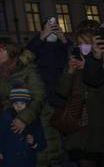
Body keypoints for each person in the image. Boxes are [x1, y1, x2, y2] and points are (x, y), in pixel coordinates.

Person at [55, 22, 104, 167]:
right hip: (79, 125)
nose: (82, 46)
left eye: (85, 42)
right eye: (79, 42)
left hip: (98, 126)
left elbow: (96, 84)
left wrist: (90, 67)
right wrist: (69, 71)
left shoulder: (100, 60)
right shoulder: (75, 57)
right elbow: (62, 91)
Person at [24, 17, 71, 166]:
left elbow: (73, 56)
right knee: (46, 135)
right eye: (48, 27)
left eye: (55, 27)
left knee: (63, 137)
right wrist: (41, 37)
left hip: (61, 98)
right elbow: (26, 56)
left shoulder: (62, 46)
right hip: (43, 99)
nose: (52, 29)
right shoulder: (38, 44)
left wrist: (64, 39)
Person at [0, 87, 46, 167]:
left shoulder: (34, 120)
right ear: (12, 104)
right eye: (15, 104)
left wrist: (34, 142)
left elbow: (42, 141)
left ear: (27, 104)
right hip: (9, 159)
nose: (19, 106)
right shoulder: (7, 117)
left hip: (27, 161)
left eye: (22, 103)